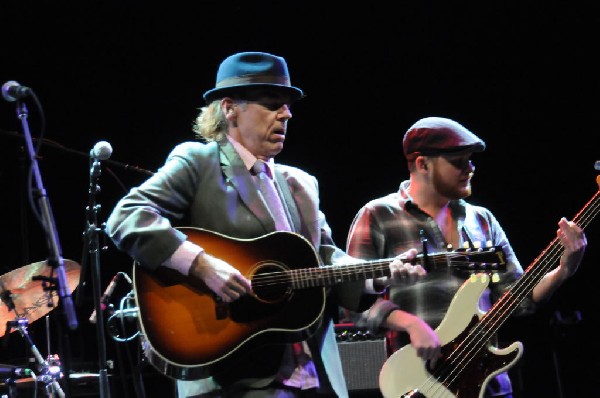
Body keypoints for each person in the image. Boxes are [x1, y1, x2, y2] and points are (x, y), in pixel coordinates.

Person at [105, 52, 440, 398]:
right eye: (271, 104)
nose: (286, 114)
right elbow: (128, 216)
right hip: (233, 375)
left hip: (313, 373)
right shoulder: (199, 161)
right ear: (229, 108)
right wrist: (202, 265)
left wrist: (379, 273)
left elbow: (327, 258)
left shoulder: (301, 184)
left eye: (288, 105)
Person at [345, 116, 587, 397]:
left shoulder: (482, 219)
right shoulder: (377, 215)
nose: (470, 169)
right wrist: (411, 324)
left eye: (471, 160)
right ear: (423, 164)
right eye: (459, 161)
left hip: (487, 385)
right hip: (420, 384)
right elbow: (353, 303)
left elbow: (518, 300)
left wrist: (563, 270)